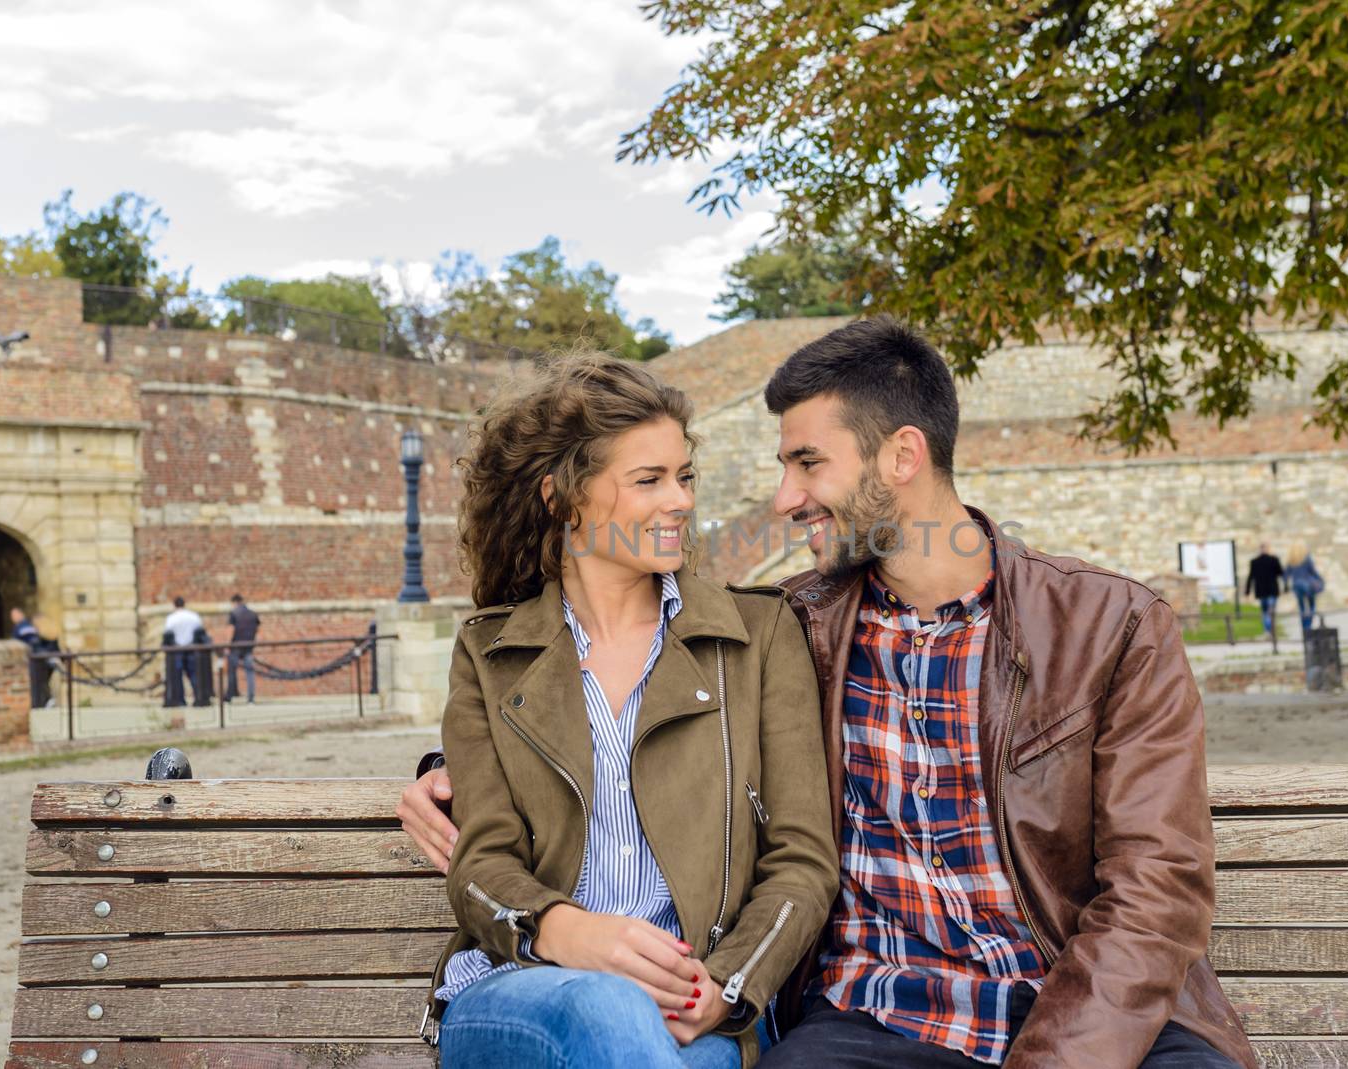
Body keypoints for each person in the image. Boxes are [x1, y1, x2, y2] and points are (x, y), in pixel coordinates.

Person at [403, 319, 1255, 1069]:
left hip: (1086, 1013)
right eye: (783, 466)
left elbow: (1158, 888)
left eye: (808, 463)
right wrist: (453, 770)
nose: (783, 499)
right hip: (878, 1020)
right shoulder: (800, 628)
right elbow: (606, 685)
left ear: (903, 455)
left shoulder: (1111, 627)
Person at [423, 354, 837, 1069]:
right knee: (605, 1006)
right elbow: (482, 861)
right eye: (648, 479)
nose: (679, 499)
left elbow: (802, 861)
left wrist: (727, 986)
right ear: (562, 498)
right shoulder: (491, 654)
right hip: (523, 992)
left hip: (694, 1005)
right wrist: (564, 930)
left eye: (684, 476)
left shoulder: (758, 636)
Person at [10, 607, 57, 709]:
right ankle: (46, 700)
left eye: (14, 615)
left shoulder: (24, 627)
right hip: (47, 660)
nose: (12, 618)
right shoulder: (38, 630)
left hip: (39, 660)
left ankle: (42, 702)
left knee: (38, 683)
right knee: (42, 683)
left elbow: (31, 644)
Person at [162, 596, 204, 708]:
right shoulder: (193, 616)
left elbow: (167, 634)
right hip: (191, 648)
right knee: (194, 675)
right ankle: (199, 698)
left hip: (177, 650)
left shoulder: (172, 618)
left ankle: (180, 700)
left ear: (174, 605)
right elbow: (200, 632)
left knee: (177, 676)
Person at [1243, 543, 1286, 639]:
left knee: (1265, 612)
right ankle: (1270, 630)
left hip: (1262, 591)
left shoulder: (1255, 562)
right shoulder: (1274, 560)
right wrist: (1286, 586)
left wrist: (1247, 591)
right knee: (1270, 611)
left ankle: (1267, 630)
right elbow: (1281, 574)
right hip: (1271, 590)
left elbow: (1250, 577)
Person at [225, 594, 261, 703]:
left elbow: (231, 630)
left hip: (236, 646)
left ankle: (230, 695)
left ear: (235, 602)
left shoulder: (234, 613)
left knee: (232, 671)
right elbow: (258, 629)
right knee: (249, 672)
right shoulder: (253, 614)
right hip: (249, 646)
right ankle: (250, 698)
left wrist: (227, 646)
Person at [1283, 544, 1324, 636]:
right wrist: (1320, 580)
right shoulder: (1307, 558)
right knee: (1311, 606)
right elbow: (1313, 572)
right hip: (1307, 585)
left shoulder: (1292, 560)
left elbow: (1286, 575)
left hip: (1296, 586)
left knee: (1302, 608)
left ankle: (1304, 628)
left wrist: (1285, 585)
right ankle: (1309, 626)